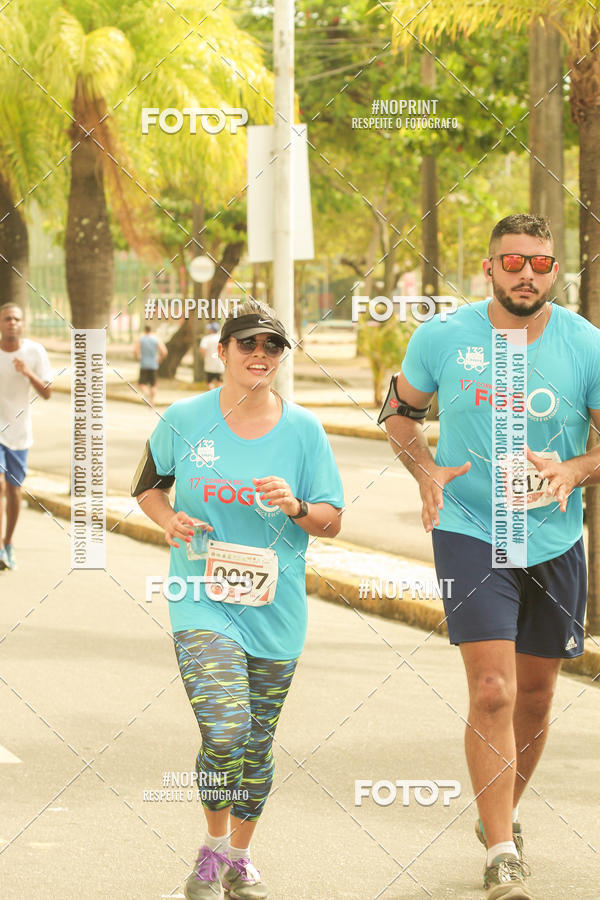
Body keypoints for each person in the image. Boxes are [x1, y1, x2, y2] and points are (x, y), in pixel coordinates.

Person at [380, 214, 600, 900]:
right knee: (494, 690)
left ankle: (497, 815)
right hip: (473, 528)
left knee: (535, 697)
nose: (525, 274)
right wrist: (423, 470)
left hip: (555, 536)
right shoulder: (443, 336)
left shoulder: (587, 345)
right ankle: (502, 849)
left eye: (539, 263)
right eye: (512, 263)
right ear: (489, 268)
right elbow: (398, 410)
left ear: (554, 271)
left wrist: (576, 469)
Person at [132, 299, 344, 900]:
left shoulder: (304, 430)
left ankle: (237, 859)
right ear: (221, 351)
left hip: (277, 610)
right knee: (225, 731)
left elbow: (331, 520)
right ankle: (212, 852)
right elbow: (147, 485)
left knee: (256, 744)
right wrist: (168, 518)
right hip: (201, 598)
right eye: (246, 344)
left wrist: (297, 507)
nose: (259, 355)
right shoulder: (183, 417)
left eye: (271, 346)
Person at [0, 303, 52, 570]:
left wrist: (27, 372)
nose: (12, 322)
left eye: (17, 319)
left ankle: (8, 542)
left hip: (19, 434)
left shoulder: (34, 352)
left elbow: (47, 392)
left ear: (23, 324)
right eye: (7, 318)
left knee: (14, 489)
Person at [135, 324, 168, 404]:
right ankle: (152, 401)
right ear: (151, 330)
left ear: (144, 330)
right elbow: (164, 351)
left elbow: (135, 350)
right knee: (153, 385)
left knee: (141, 383)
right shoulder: (156, 339)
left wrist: (138, 358)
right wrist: (159, 359)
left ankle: (146, 393)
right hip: (154, 365)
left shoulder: (141, 339)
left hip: (144, 364)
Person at [200, 322, 225, 389]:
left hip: (209, 364)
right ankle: (218, 396)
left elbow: (203, 350)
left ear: (211, 330)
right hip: (220, 364)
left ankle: (212, 396)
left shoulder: (206, 338)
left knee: (209, 382)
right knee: (220, 381)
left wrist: (205, 357)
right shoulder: (221, 338)